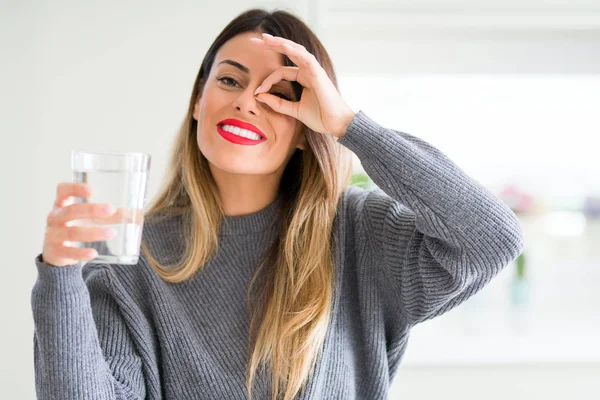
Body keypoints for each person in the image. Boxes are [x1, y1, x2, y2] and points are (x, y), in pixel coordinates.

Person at [32, 8, 524, 400]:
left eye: (280, 93)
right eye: (229, 80)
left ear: (307, 129)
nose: (248, 101)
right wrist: (59, 276)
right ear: (198, 102)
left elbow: (492, 239)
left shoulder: (360, 232)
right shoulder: (130, 259)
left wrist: (349, 124)